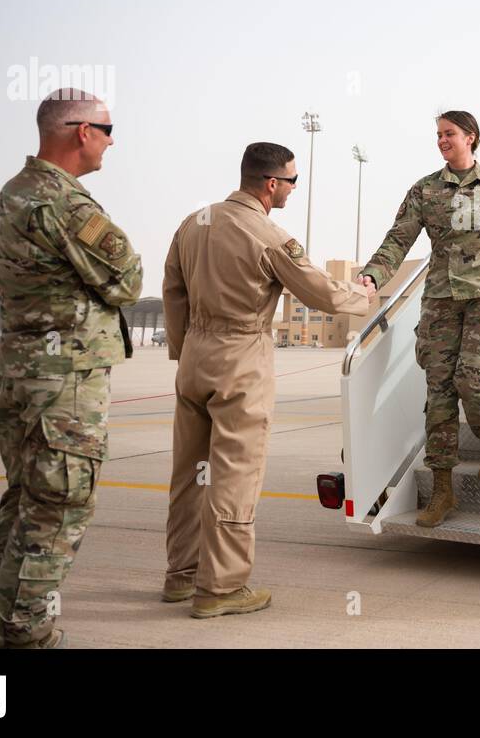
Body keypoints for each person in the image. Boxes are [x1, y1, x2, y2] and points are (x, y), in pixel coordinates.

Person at [0, 89, 142, 649]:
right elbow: (128, 281)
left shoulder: (12, 194)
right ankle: (29, 632)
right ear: (81, 132)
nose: (114, 141)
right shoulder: (63, 202)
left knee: (23, 500)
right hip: (64, 382)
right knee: (60, 506)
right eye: (110, 129)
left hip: (22, 372)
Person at [162, 143, 372, 618]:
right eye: (293, 181)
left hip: (194, 357)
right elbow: (319, 292)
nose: (295, 189)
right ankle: (221, 588)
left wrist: (183, 350)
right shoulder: (267, 235)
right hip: (240, 356)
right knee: (234, 474)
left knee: (190, 473)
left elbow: (172, 290)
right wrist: (361, 295)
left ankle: (182, 576)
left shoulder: (193, 223)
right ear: (271, 183)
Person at [357, 111, 480, 527]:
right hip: (442, 299)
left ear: (471, 137)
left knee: (472, 378)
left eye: (449, 134)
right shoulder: (425, 190)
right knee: (440, 390)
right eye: (438, 135)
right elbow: (398, 239)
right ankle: (443, 489)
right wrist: (374, 274)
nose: (442, 141)